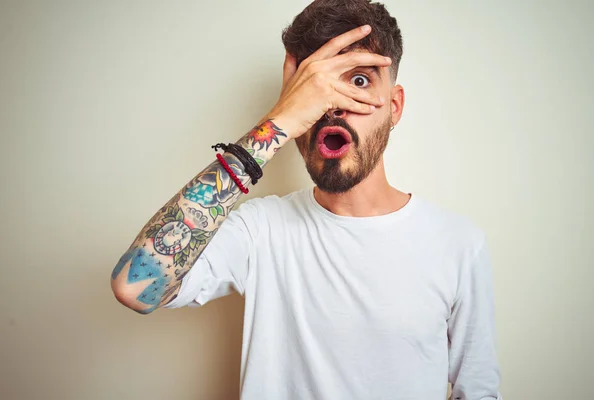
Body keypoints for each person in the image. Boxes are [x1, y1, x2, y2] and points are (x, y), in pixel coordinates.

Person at [111, 0, 502, 398]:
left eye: (360, 81)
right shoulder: (261, 230)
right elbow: (135, 287)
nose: (333, 108)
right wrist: (276, 123)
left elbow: (478, 389)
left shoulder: (458, 245)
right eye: (314, 87)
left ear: (395, 106)